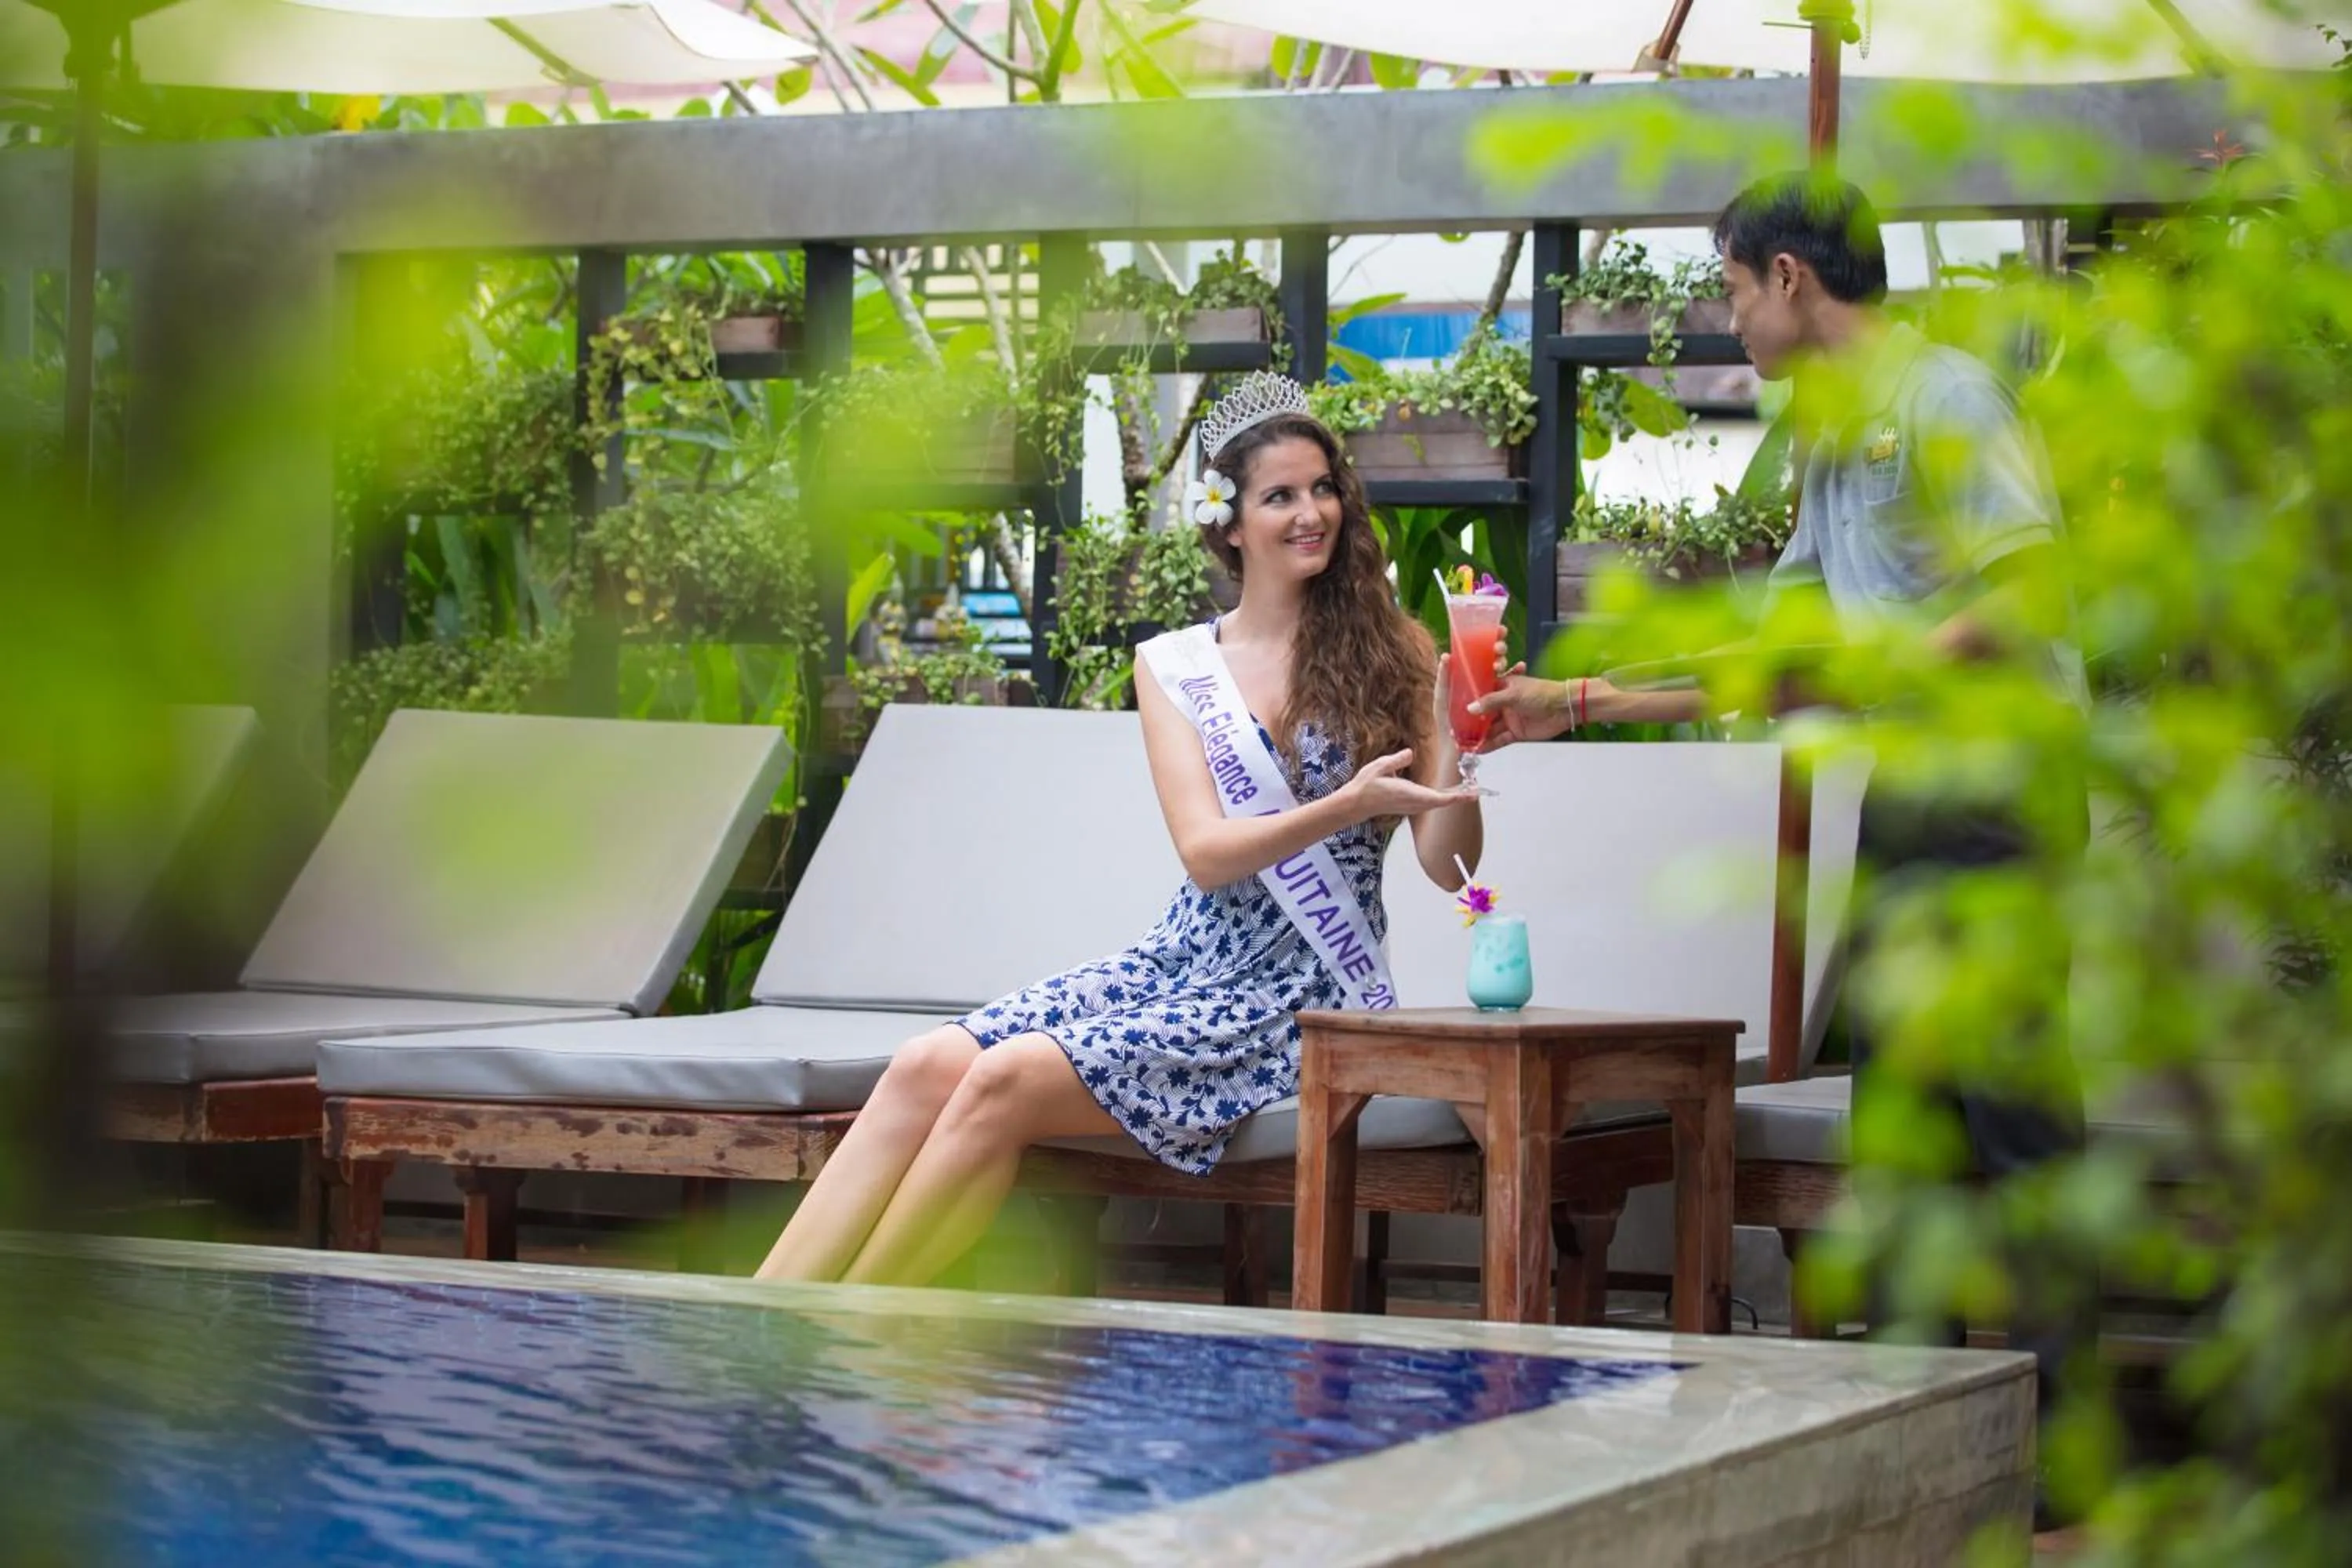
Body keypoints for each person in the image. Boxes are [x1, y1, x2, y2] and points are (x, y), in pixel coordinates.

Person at [1476, 174, 2091, 1522]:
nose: (1734, 317)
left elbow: (2029, 582)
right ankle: (1938, 1439)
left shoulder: (1946, 401)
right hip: (1919, 793)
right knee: (1910, 1122)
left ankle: (2075, 1455)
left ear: (1790, 280)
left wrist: (1887, 676)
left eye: (1735, 289)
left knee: (2018, 1118)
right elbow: (1781, 654)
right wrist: (1573, 706)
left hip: (2005, 787)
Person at [757, 372, 1483, 1289]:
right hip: (1180, 963)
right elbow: (1206, 856)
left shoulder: (1400, 652)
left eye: (1324, 487)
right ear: (1228, 522)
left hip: (1302, 996)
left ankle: (835, 1330)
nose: (1313, 513)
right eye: (1281, 496)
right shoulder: (1177, 666)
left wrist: (1456, 729)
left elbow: (1451, 865)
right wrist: (1346, 805)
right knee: (925, 1060)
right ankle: (757, 1320)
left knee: (1002, 1080)